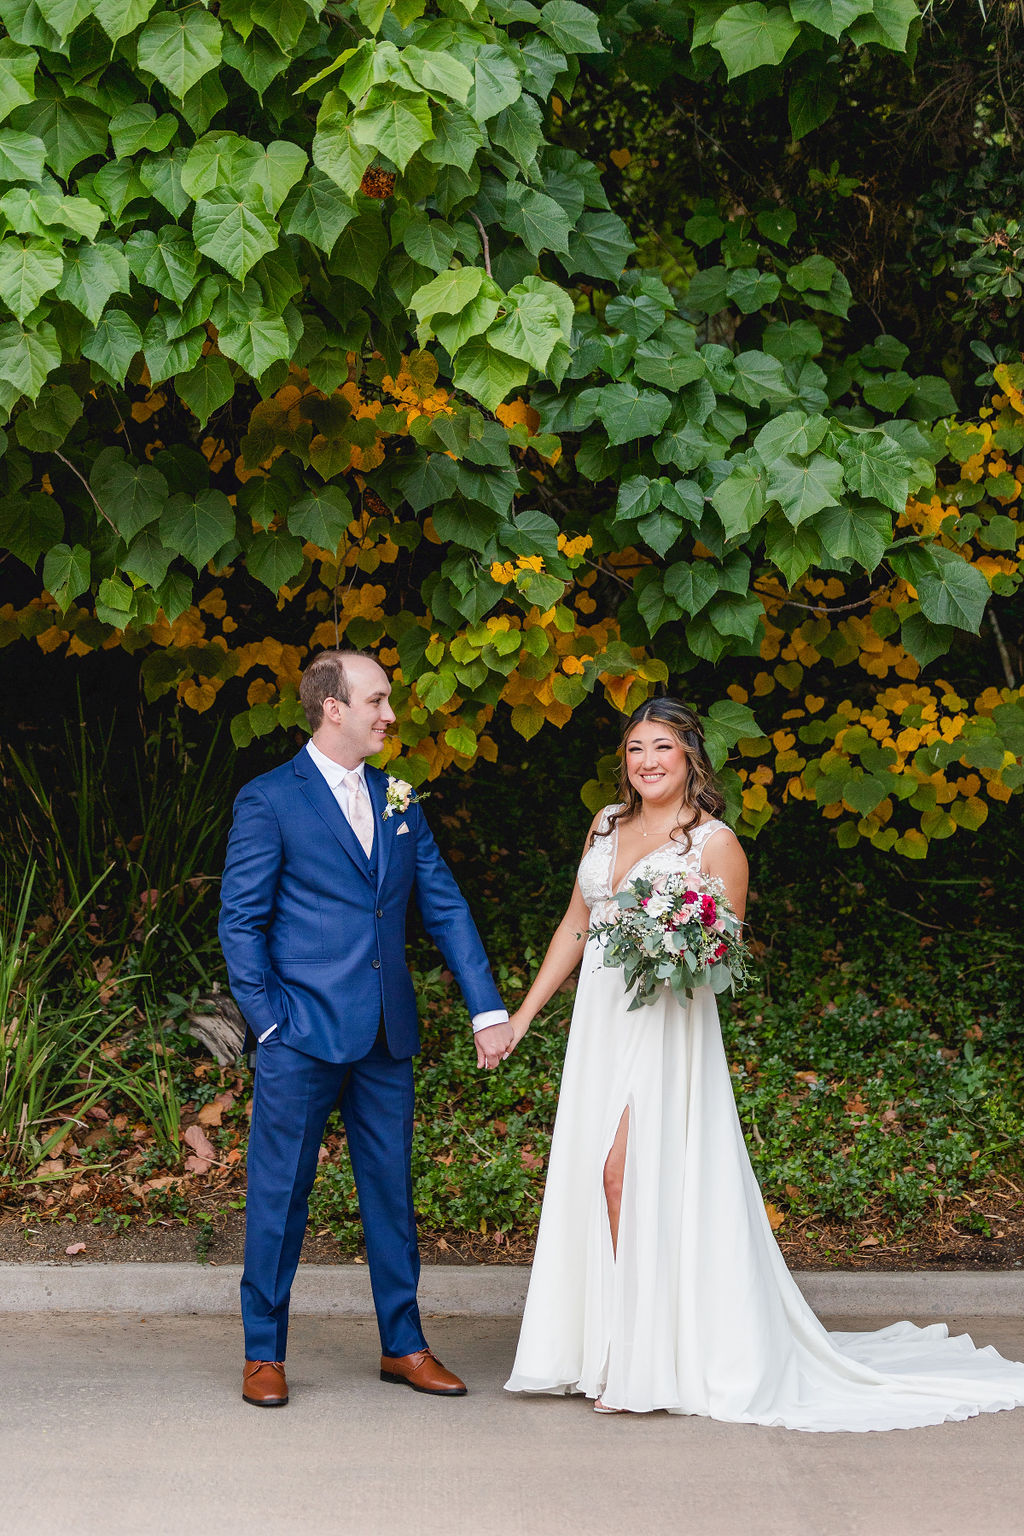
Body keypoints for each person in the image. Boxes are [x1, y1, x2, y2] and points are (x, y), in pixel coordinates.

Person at [503, 696, 1024, 1429]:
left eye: (662, 748)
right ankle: (609, 1345)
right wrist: (523, 1017)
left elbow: (724, 955)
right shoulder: (606, 826)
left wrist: (671, 944)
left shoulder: (714, 844)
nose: (647, 761)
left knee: (627, 1175)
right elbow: (576, 923)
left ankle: (641, 1356)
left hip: (666, 1028)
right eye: (634, 749)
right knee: (598, 1177)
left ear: (689, 758)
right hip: (600, 1023)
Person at [219, 648, 512, 1407]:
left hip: (387, 1035)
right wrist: (268, 1023)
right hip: (301, 1033)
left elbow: (442, 904)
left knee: (391, 1193)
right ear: (333, 708)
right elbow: (241, 923)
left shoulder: (399, 797)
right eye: (377, 699)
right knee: (280, 1194)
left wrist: (486, 1007)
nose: (390, 713)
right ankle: (263, 1352)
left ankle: (404, 1345)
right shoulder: (268, 799)